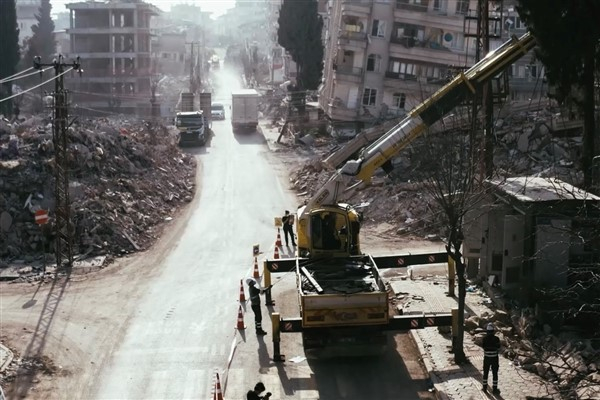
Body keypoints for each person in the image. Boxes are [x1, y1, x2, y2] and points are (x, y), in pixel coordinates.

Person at [482, 323, 501, 394]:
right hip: (494, 358)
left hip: (487, 358)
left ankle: (484, 388)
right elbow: (498, 347)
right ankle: (495, 389)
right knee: (495, 373)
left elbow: (483, 347)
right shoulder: (496, 339)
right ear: (493, 331)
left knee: (485, 373)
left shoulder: (484, 339)